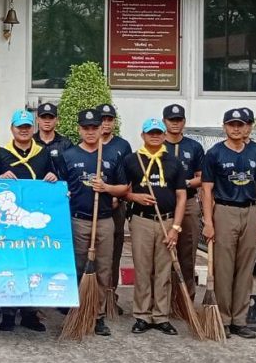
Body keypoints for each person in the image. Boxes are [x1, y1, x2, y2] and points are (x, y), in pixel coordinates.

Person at [51, 108, 129, 337]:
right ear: (79, 130)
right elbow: (61, 185)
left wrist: (106, 188)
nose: (90, 132)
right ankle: (76, 312)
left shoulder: (111, 155)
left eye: (94, 127)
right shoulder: (69, 155)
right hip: (78, 220)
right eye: (86, 128)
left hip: (104, 221)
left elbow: (124, 188)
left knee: (103, 271)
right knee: (77, 268)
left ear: (101, 128)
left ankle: (98, 315)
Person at [201, 109, 256, 340]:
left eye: (240, 125)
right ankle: (222, 319)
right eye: (232, 125)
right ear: (224, 127)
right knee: (223, 268)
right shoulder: (215, 153)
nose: (236, 129)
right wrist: (208, 221)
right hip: (224, 211)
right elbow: (207, 190)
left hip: (250, 211)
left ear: (246, 127)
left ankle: (239, 320)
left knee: (245, 268)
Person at [122, 118, 186, 336]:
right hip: (141, 220)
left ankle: (161, 316)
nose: (155, 136)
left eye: (159, 133)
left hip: (167, 221)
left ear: (164, 135)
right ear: (143, 135)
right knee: (142, 269)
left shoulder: (174, 162)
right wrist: (135, 197)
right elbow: (123, 191)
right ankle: (142, 315)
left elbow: (181, 196)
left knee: (163, 270)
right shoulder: (132, 160)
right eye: (151, 133)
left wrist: (175, 227)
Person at [0, 110, 57, 333]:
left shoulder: (43, 154)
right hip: (10, 223)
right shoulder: (2, 154)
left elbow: (55, 179)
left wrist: (53, 178)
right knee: (10, 264)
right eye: (19, 126)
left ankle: (30, 313)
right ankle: (8, 313)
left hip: (33, 221)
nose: (23, 130)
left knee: (33, 265)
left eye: (27, 126)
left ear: (33, 128)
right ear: (12, 129)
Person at [163, 103, 205, 299]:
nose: (175, 123)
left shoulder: (194, 147)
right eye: (171, 120)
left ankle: (186, 300)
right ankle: (164, 300)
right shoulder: (157, 145)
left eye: (178, 120)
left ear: (184, 122)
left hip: (187, 202)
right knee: (163, 254)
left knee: (187, 254)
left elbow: (202, 178)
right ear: (164, 121)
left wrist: (184, 183)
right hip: (164, 203)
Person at [97, 103, 133, 313]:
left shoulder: (122, 146)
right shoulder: (88, 143)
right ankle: (91, 296)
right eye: (102, 119)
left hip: (115, 205)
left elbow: (127, 179)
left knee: (113, 252)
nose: (105, 123)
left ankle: (110, 296)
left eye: (109, 119)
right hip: (91, 208)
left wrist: (116, 196)